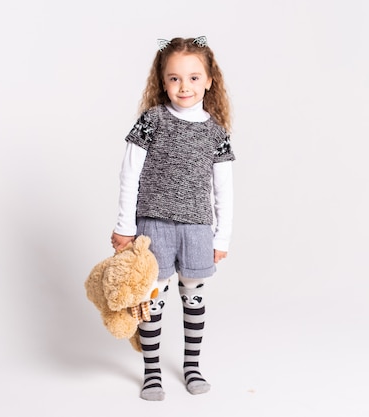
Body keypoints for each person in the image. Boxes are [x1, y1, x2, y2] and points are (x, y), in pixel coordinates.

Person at [110, 36, 235, 401]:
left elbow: (223, 190)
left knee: (193, 295)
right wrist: (124, 227)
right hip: (153, 226)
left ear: (210, 81)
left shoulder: (216, 133)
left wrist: (221, 238)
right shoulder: (151, 121)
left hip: (197, 227)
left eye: (194, 78)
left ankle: (192, 366)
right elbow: (129, 174)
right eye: (175, 78)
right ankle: (151, 373)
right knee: (152, 296)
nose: (184, 86)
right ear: (162, 81)